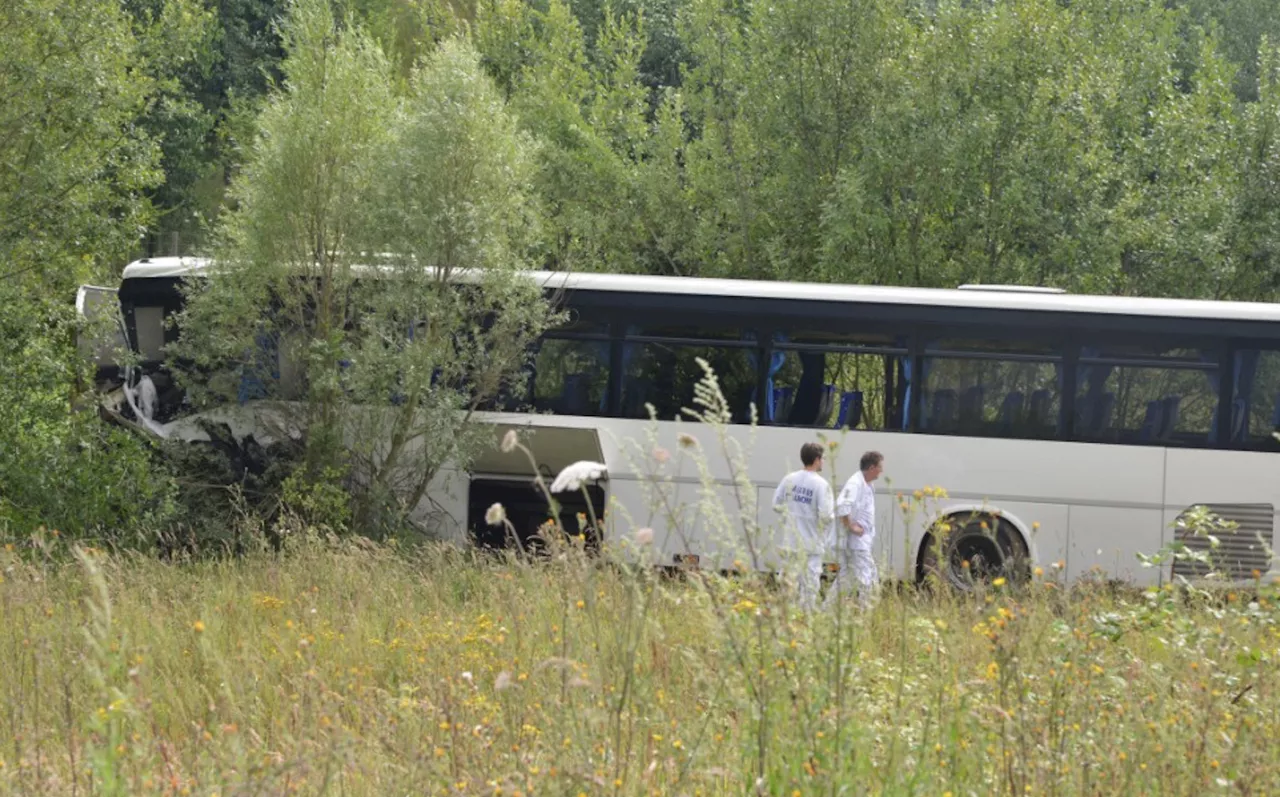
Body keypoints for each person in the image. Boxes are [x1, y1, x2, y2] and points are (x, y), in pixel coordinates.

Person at [772, 442, 834, 611]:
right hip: (811, 547)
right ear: (816, 459)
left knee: (788, 589)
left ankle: (786, 623)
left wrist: (792, 515)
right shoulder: (821, 485)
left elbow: (776, 505)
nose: (823, 462)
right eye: (822, 459)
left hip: (790, 543)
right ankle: (804, 624)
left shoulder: (789, 479)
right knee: (809, 591)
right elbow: (826, 516)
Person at [827, 450, 884, 609]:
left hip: (859, 542)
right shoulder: (855, 483)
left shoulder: (867, 484)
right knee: (868, 577)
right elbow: (841, 507)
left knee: (846, 576)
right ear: (872, 467)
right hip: (856, 543)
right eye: (880, 467)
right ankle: (866, 612)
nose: (881, 470)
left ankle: (827, 608)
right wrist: (851, 526)